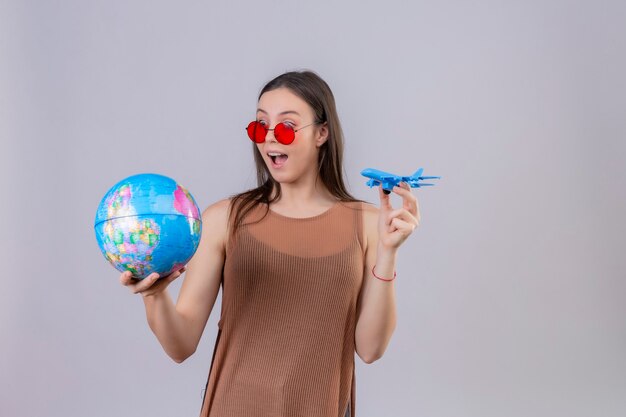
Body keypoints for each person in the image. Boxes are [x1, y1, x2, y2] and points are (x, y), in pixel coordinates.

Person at [119, 70, 420, 417]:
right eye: (261, 127)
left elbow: (370, 349)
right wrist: (154, 295)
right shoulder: (224, 219)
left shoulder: (368, 223)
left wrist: (388, 253)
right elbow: (181, 345)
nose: (270, 140)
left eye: (287, 127)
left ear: (322, 133)